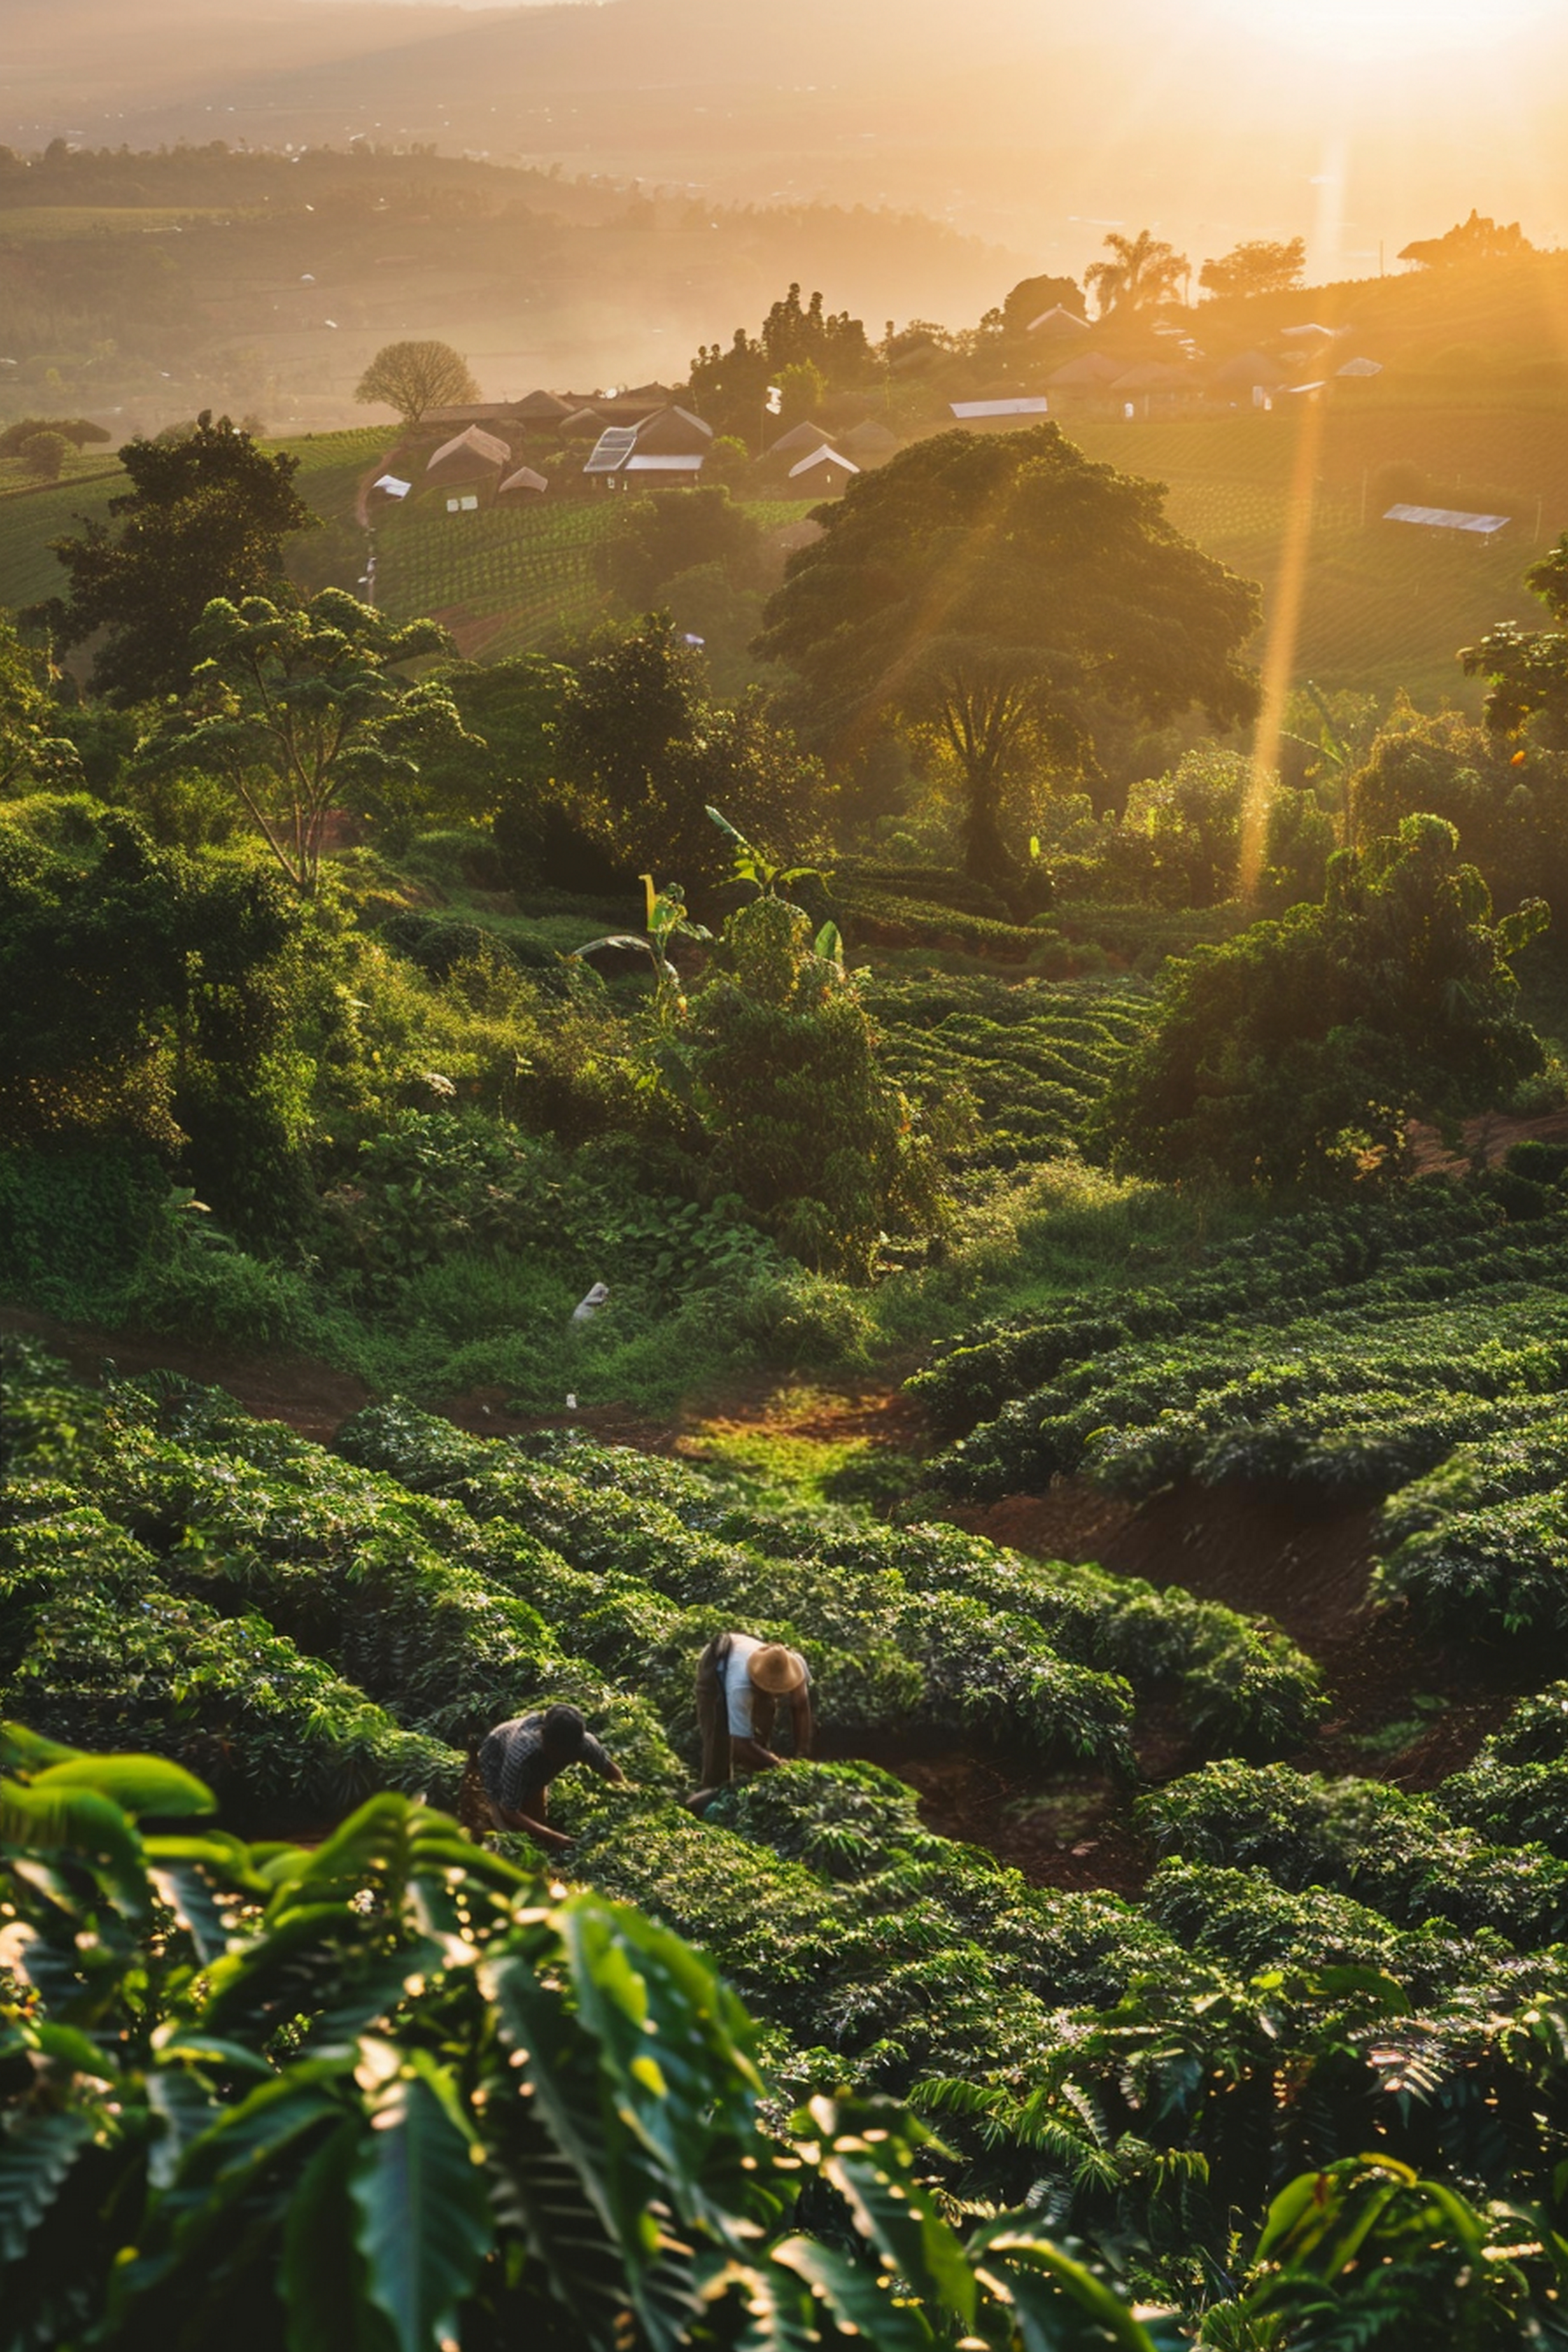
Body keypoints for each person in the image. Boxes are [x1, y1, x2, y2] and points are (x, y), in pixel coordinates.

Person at [475, 1702, 626, 1853]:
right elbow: (509, 1810)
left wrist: (627, 1797)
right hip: (496, 1757)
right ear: (544, 1737)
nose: (562, 1758)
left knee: (537, 1812)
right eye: (557, 1752)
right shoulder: (522, 1756)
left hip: (536, 1765)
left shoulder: (586, 1745)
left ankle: (544, 1846)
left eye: (568, 1754)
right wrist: (555, 1838)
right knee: (507, 1832)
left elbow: (611, 1772)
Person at [690, 1631, 813, 1810]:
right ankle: (708, 1804)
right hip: (716, 1666)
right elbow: (740, 1746)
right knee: (719, 1745)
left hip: (743, 1658)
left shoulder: (795, 1666)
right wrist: (779, 1766)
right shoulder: (739, 1685)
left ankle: (753, 1777)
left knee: (763, 1729)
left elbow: (801, 1708)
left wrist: (802, 1756)